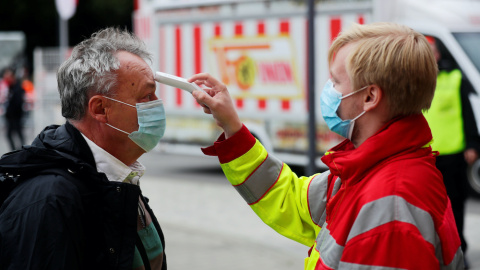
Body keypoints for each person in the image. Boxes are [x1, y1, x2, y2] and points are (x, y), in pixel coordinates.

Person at [189, 22, 463, 269]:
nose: (328, 90)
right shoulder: (366, 169)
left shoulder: (389, 207)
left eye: (335, 81)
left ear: (370, 96)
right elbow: (292, 200)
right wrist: (232, 127)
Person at [0, 28, 167, 269]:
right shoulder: (51, 200)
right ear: (100, 109)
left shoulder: (119, 175)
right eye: (146, 96)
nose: (157, 105)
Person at [424, 36, 480, 267]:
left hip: (453, 155)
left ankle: (459, 252)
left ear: (438, 55)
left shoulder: (455, 78)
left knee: (455, 207)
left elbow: (468, 114)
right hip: (426, 157)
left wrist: (473, 144)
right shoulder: (414, 81)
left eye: (431, 52)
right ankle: (434, 252)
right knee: (428, 210)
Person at [2, 68, 26, 151]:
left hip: (16, 117)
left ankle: (23, 150)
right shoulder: (10, 88)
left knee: (18, 134)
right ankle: (15, 151)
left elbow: (18, 103)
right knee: (10, 135)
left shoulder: (18, 88)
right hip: (10, 117)